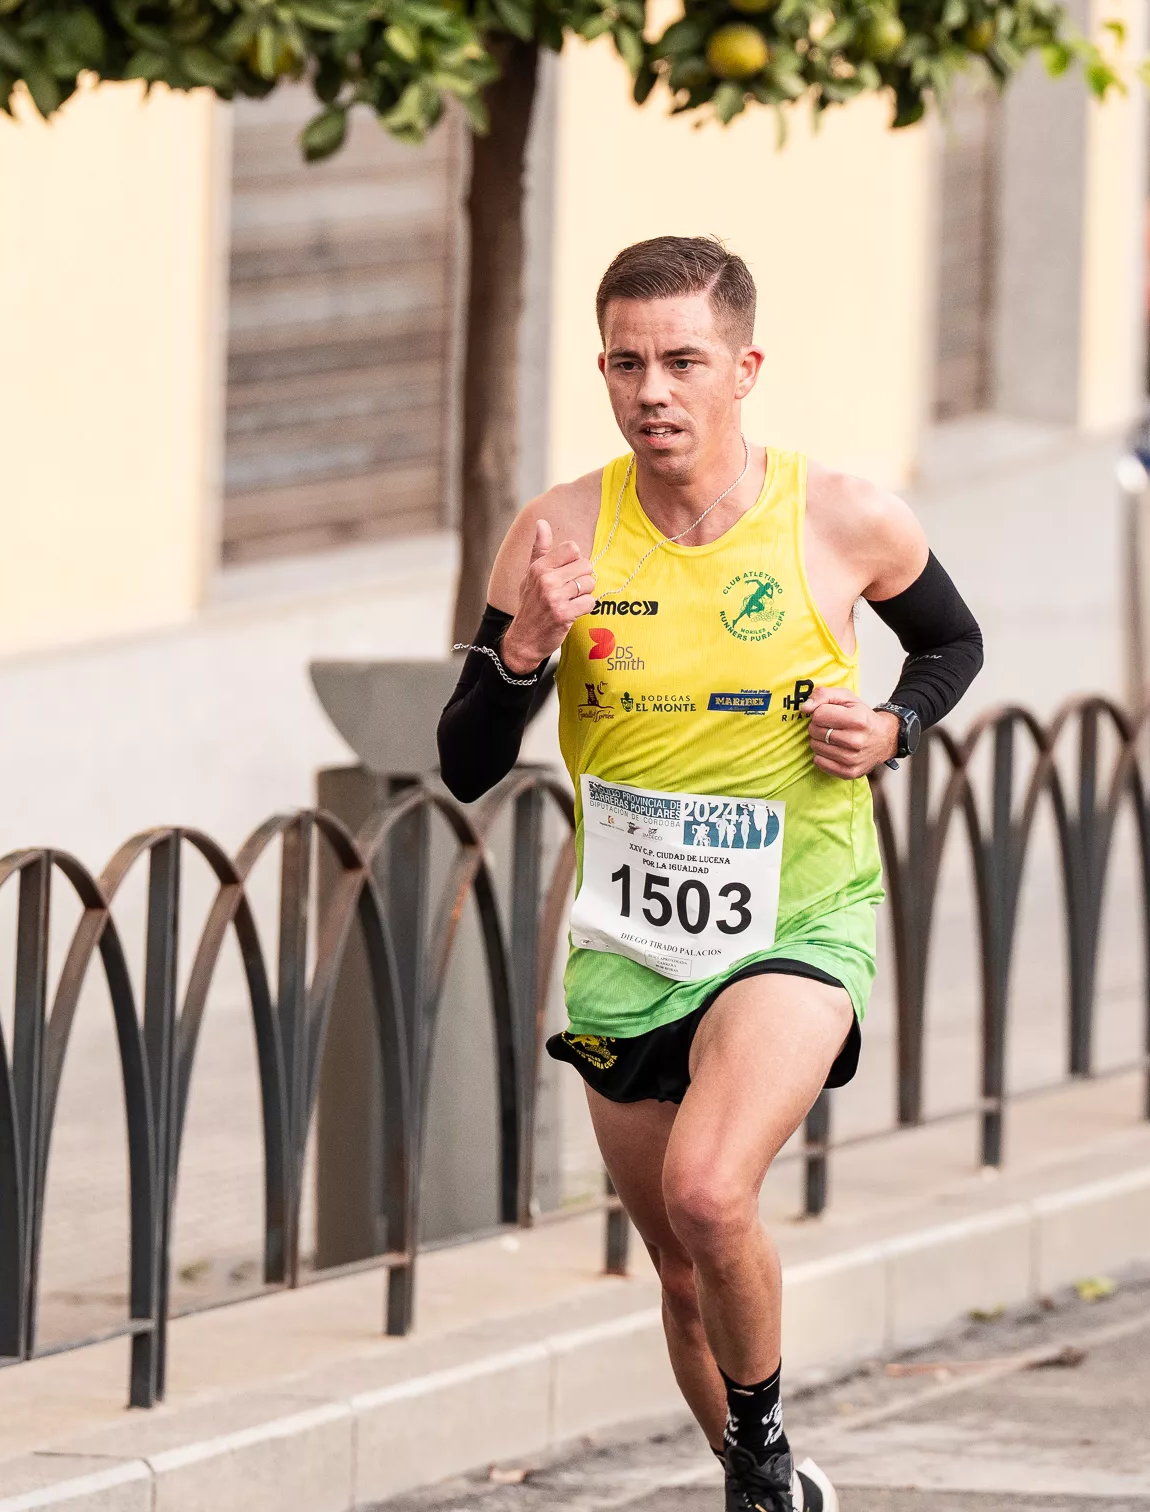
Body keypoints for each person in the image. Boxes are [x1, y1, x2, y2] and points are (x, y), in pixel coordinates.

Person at [436, 236, 984, 1512]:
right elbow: (465, 760)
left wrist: (896, 724)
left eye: (682, 361)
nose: (653, 391)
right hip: (629, 935)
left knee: (707, 1184)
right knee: (682, 1269)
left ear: (744, 368)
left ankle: (766, 1451)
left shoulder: (843, 515)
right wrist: (525, 647)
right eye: (626, 363)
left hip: (800, 911)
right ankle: (760, 1475)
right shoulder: (557, 529)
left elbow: (952, 640)